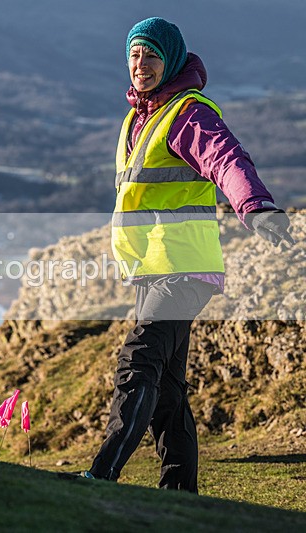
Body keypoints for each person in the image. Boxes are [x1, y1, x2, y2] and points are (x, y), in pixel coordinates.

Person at [83, 17, 295, 492]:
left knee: (138, 364)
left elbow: (226, 158)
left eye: (152, 55)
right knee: (168, 392)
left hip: (182, 269)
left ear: (172, 60)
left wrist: (256, 207)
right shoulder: (140, 116)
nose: (141, 64)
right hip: (151, 272)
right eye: (135, 54)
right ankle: (180, 494)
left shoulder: (186, 113)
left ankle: (101, 474)